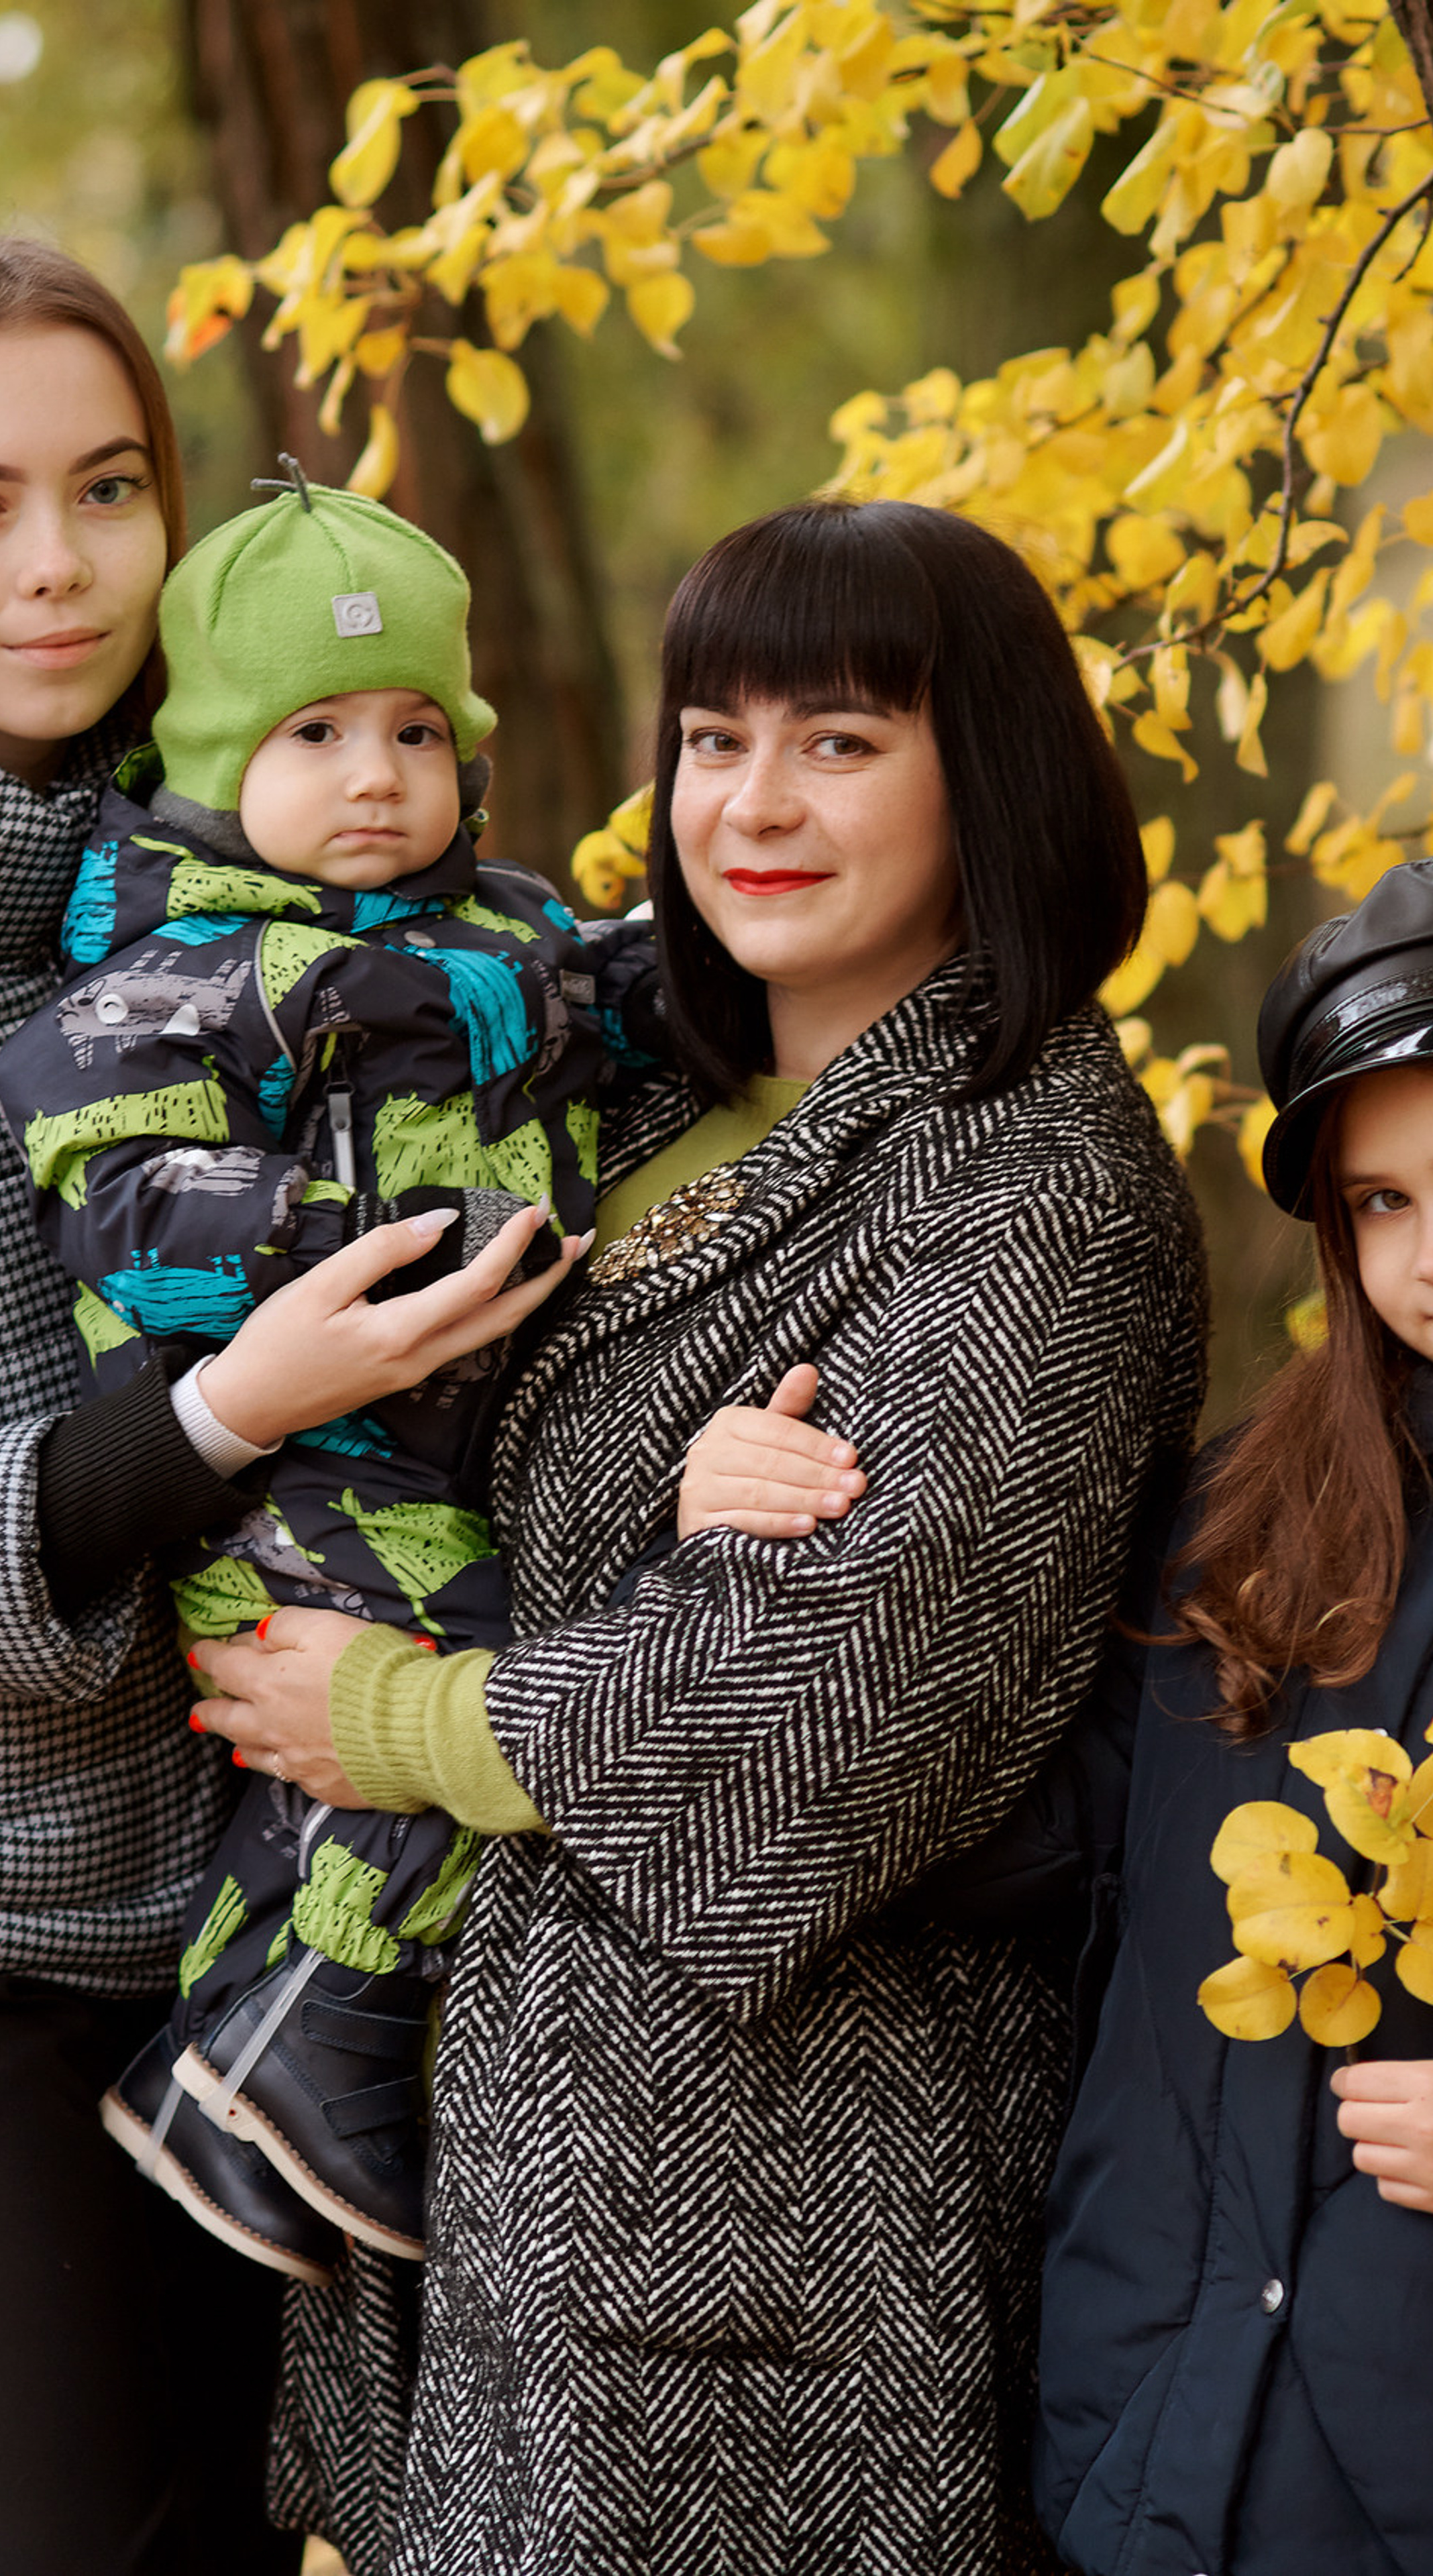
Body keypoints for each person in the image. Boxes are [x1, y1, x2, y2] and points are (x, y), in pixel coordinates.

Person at [189, 494, 1208, 2576]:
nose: (753, 804)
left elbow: (840, 1710)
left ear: (989, 773)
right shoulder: (630, 1093)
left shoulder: (1034, 1187)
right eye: (715, 738)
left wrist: (402, 1720)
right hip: (504, 2150)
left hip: (772, 2202)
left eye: (840, 741)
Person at [0, 233, 574, 2576]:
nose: (54, 566)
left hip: (311, 1897)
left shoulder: (323, 825)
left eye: (107, 486)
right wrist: (217, 1414)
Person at [943, 845, 1433, 2573]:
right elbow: (1045, 1839)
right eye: (1381, 1204)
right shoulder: (1250, 1513)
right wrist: (767, 1557)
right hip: (1154, 2446)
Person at [0, 462, 658, 2275]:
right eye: (316, 734)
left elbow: (622, 1008)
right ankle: (307, 2033)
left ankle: (249, 2055)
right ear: (218, 763)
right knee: (416, 1705)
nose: (377, 777)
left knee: (416, 1715)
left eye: (415, 731)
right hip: (295, 1462)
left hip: (448, 1439)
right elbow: (122, 1203)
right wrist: (342, 1230)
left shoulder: (502, 929)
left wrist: (699, 981)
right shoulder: (174, 978)